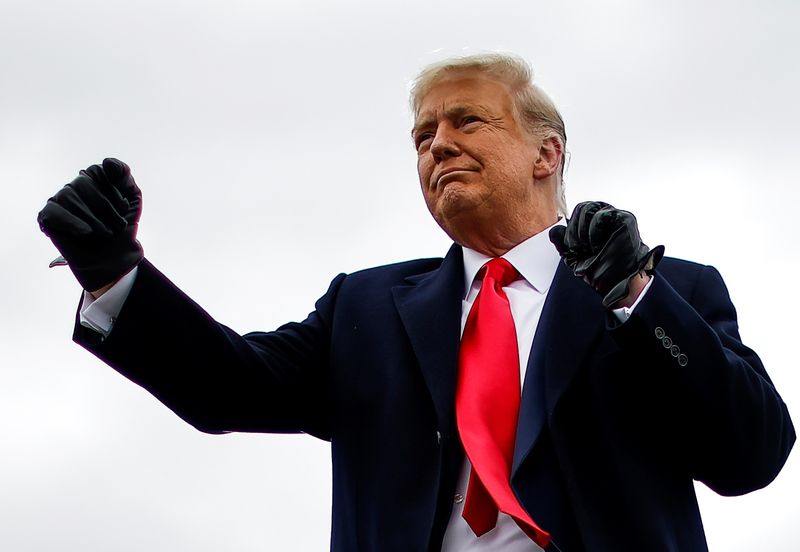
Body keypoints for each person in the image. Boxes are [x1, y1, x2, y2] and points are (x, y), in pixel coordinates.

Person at [38, 53, 794, 551]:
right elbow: (225, 384)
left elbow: (750, 455)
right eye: (422, 134)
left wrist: (636, 295)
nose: (437, 145)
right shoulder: (364, 309)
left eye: (467, 121)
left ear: (547, 151)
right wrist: (113, 274)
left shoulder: (671, 293)